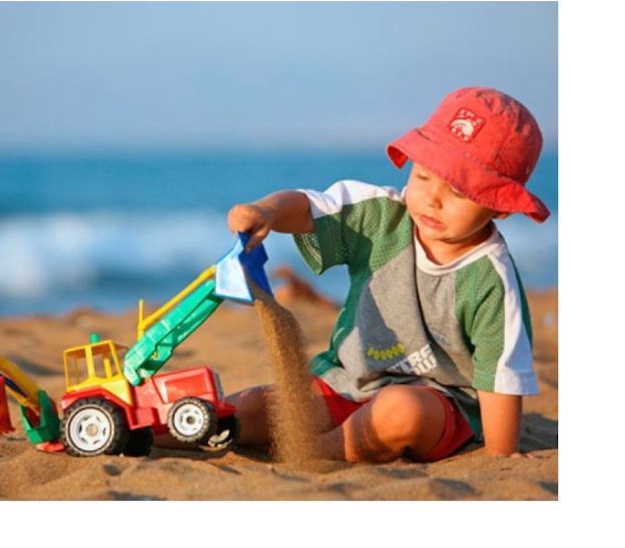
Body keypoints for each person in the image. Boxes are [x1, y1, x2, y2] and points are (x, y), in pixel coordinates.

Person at [226, 86, 549, 463]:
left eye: (458, 191)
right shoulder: (381, 217)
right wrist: (266, 211)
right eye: (424, 176)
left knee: (401, 410)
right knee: (249, 408)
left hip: (438, 407)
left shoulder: (491, 278)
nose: (432, 199)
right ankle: (171, 428)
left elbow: (501, 375)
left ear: (501, 206)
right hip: (348, 382)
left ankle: (311, 454)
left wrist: (501, 454)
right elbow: (307, 207)